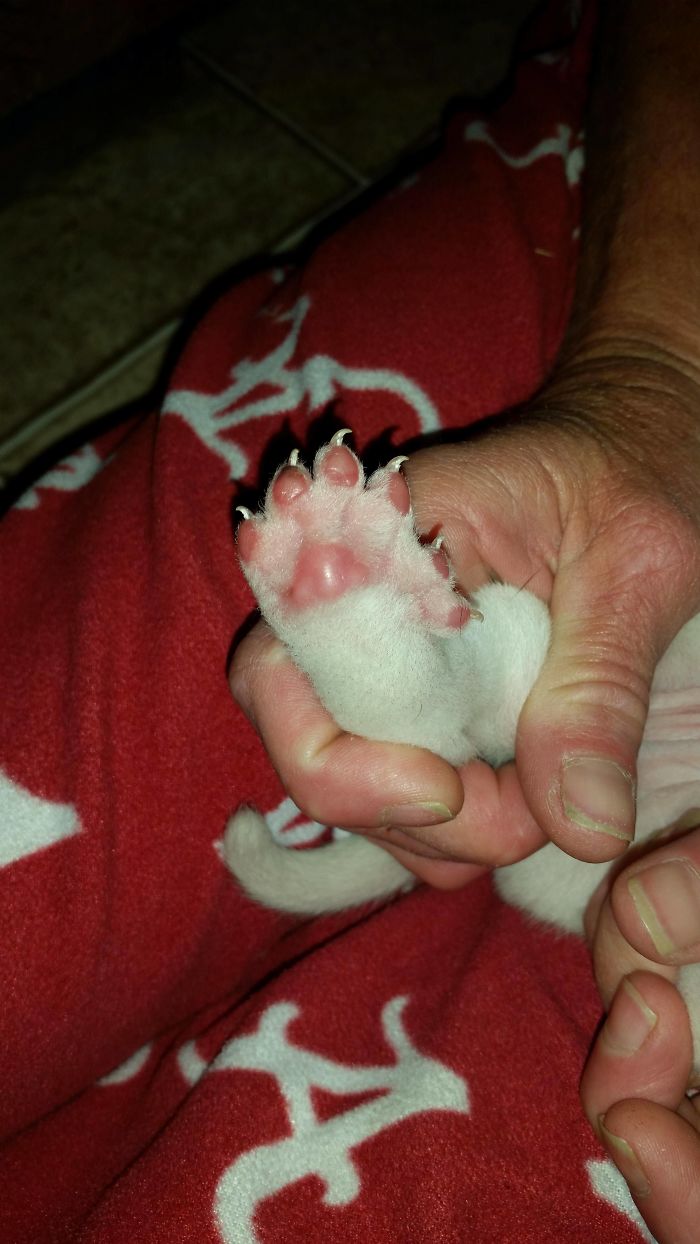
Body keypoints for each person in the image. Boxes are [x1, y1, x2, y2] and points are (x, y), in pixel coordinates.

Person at [231, 3, 700, 1240]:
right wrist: (661, 379)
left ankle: (401, 665)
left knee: (525, 691)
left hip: (606, 840)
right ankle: (414, 668)